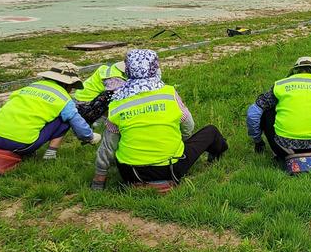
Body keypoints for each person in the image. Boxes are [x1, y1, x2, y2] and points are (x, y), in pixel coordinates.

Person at [90, 49, 227, 190]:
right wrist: (181, 143)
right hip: (171, 168)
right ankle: (216, 156)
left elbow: (107, 147)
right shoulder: (168, 93)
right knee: (211, 131)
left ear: (128, 70)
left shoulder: (117, 102)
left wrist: (98, 180)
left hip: (132, 173)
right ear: (155, 68)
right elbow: (188, 126)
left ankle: (139, 184)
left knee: (119, 143)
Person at [0, 63, 100, 158]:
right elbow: (78, 124)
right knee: (65, 118)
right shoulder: (64, 99)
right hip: (20, 145)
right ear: (68, 85)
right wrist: (89, 137)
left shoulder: (28, 87)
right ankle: (50, 154)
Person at [247, 56, 311, 160]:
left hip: (283, 149)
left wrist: (257, 140)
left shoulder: (281, 85)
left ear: (295, 71)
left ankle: (275, 153)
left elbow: (252, 114)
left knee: (266, 109)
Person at [43, 59, 126, 160]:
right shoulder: (114, 78)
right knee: (114, 95)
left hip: (78, 103)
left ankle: (99, 121)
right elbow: (122, 96)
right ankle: (102, 121)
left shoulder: (106, 68)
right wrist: (89, 137)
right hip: (86, 106)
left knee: (62, 120)